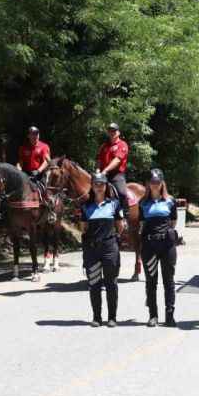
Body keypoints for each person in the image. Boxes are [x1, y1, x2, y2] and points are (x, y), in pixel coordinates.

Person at [80, 172, 125, 327]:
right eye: (95, 184)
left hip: (109, 247)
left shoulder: (114, 204)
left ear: (106, 186)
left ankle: (112, 317)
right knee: (94, 283)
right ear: (91, 186)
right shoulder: (86, 206)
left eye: (101, 184)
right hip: (92, 249)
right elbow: (84, 228)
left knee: (111, 283)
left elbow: (120, 226)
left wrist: (113, 240)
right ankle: (97, 317)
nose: (98, 187)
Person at [140, 169, 178, 327]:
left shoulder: (170, 201)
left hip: (167, 245)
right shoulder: (143, 203)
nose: (155, 185)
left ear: (162, 183)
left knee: (168, 281)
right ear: (148, 184)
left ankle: (169, 315)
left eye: (157, 182)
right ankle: (153, 315)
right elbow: (142, 225)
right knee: (151, 281)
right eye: (152, 182)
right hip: (149, 246)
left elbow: (173, 222)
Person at [17, 126, 56, 222]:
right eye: (33, 134)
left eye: (36, 134)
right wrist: (18, 169)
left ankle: (50, 211)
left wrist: (38, 171)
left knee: (46, 190)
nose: (35, 136)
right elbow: (20, 161)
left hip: (40, 173)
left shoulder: (44, 146)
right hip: (26, 173)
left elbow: (47, 161)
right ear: (28, 136)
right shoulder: (23, 147)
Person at [96, 122, 130, 219]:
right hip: (102, 175)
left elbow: (117, 160)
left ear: (118, 132)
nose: (112, 133)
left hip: (117, 175)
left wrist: (105, 170)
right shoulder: (103, 146)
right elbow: (98, 159)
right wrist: (98, 170)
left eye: (114, 131)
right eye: (110, 131)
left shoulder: (122, 145)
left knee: (122, 192)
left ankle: (126, 213)